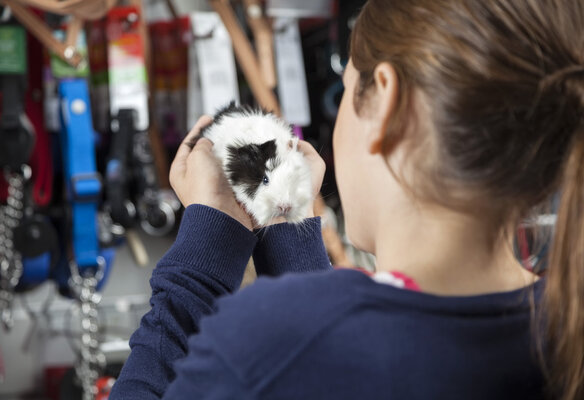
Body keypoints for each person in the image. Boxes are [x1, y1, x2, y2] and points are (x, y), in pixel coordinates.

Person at [110, 0, 584, 398]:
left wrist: (204, 253)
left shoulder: (263, 343)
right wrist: (288, 224)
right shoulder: (563, 330)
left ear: (386, 104)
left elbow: (318, 344)